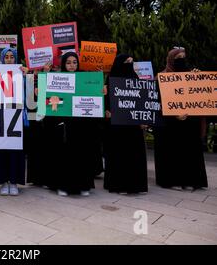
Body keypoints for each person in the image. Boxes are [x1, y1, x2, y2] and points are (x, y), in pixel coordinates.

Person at [153, 48, 208, 190]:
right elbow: (156, 102)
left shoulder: (190, 75)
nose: (181, 59)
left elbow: (199, 96)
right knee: (173, 153)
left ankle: (191, 180)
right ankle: (173, 181)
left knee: (189, 151)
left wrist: (198, 78)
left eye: (183, 56)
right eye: (178, 57)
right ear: (171, 59)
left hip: (189, 123)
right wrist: (174, 114)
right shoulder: (161, 77)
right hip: (170, 125)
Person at [46, 52, 99, 196]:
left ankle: (83, 185)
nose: (72, 65)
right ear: (63, 64)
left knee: (82, 154)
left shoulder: (84, 78)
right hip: (64, 124)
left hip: (81, 124)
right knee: (65, 156)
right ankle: (63, 186)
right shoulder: (56, 78)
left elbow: (93, 99)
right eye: (68, 62)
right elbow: (51, 102)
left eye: (74, 62)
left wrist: (100, 91)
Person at [103, 54, 148, 194]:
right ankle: (119, 185)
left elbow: (142, 101)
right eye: (126, 61)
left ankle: (136, 185)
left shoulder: (136, 79)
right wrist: (106, 110)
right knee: (118, 155)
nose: (129, 63)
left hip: (133, 126)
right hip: (117, 126)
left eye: (131, 61)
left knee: (134, 155)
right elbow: (105, 100)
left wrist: (144, 119)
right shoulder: (110, 80)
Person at [0, 48, 26, 196]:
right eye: (7, 57)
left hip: (16, 118)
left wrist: (27, 75)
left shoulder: (21, 74)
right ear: (3, 59)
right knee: (1, 151)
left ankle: (14, 182)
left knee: (15, 151)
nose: (10, 59)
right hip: (0, 117)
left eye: (12, 57)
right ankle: (3, 182)